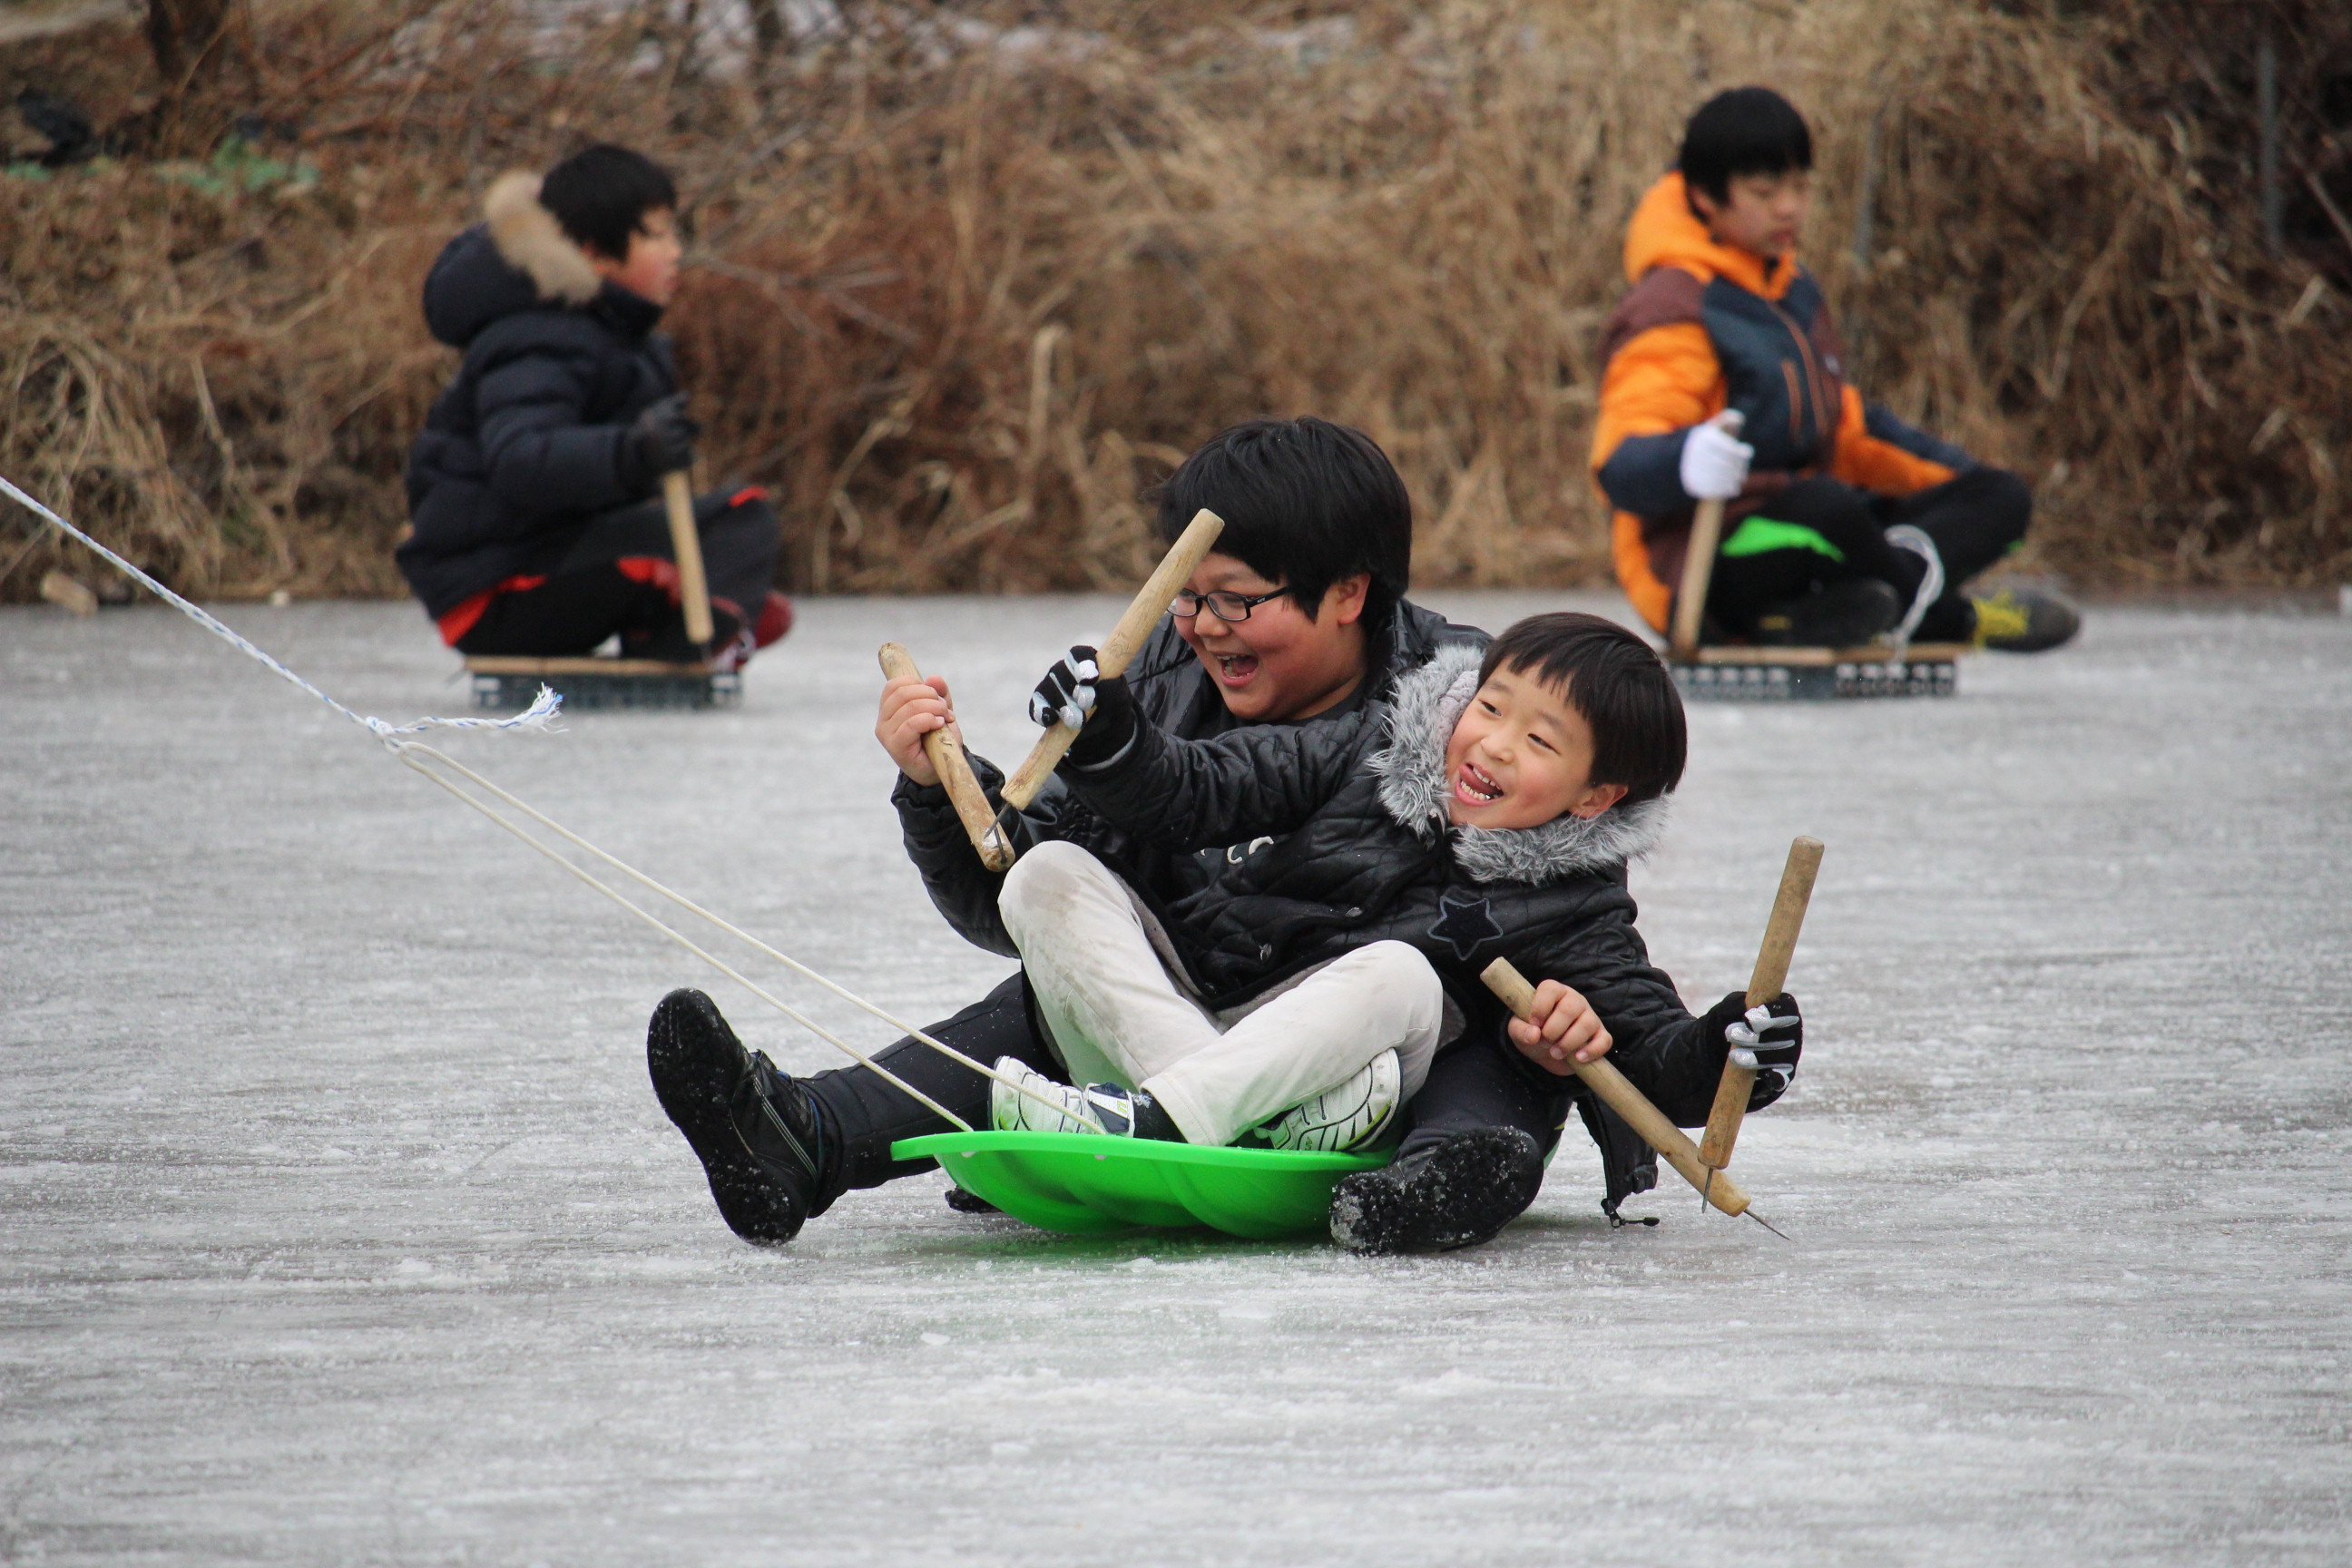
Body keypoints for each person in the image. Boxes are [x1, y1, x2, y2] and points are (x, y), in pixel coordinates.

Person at [973, 611, 1802, 1253]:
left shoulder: (1575, 903)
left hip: (1348, 1063)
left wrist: (1731, 1050)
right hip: (1209, 1031)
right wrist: (1111, 735)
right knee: (1045, 876)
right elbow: (1205, 787)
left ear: (1594, 798)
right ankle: (1217, 1116)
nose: (1494, 745)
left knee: (1404, 974)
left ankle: (1162, 1121)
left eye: (1540, 740)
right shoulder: (1367, 744)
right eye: (1491, 707)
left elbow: (1657, 1055)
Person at [1592, 87, 2078, 652]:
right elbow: (1618, 466)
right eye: (1764, 191)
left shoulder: (1792, 291)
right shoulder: (1676, 302)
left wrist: (1961, 488)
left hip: (1821, 524)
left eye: (1799, 187)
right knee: (1827, 509)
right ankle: (1955, 619)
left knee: (1998, 497)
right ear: (1705, 197)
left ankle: (1840, 610)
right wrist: (1685, 460)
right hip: (1710, 560)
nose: (1789, 208)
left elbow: (1844, 427)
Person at [398, 143, 792, 668]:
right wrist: (631, 453)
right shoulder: (539, 334)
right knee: (674, 572)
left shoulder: (616, 335)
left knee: (741, 520)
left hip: (557, 552)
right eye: (657, 235)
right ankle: (695, 642)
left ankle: (697, 630)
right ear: (592, 251)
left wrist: (643, 458)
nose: (676, 251)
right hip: (494, 586)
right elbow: (520, 461)